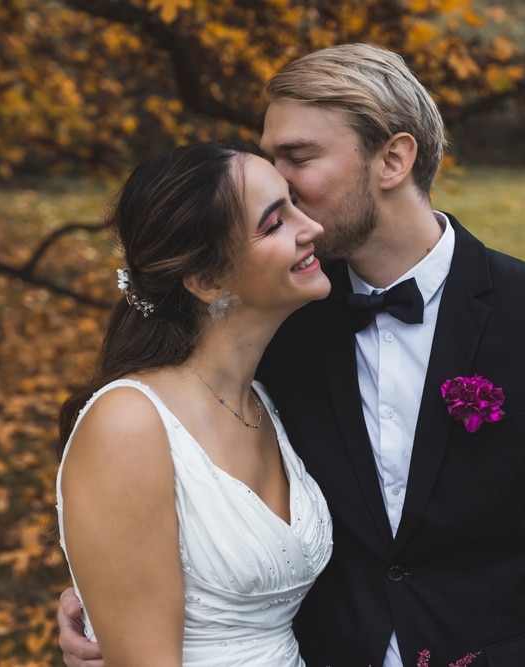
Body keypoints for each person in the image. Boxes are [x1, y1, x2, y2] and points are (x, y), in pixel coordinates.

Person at [59, 44, 525, 667]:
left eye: (298, 157)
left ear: (393, 159)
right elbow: (176, 486)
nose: (277, 179)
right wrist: (108, 593)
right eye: (269, 159)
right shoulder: (276, 316)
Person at [55, 140, 334, 667]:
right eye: (274, 223)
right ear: (207, 281)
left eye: (295, 204)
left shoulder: (264, 399)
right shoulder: (130, 424)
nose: (311, 227)